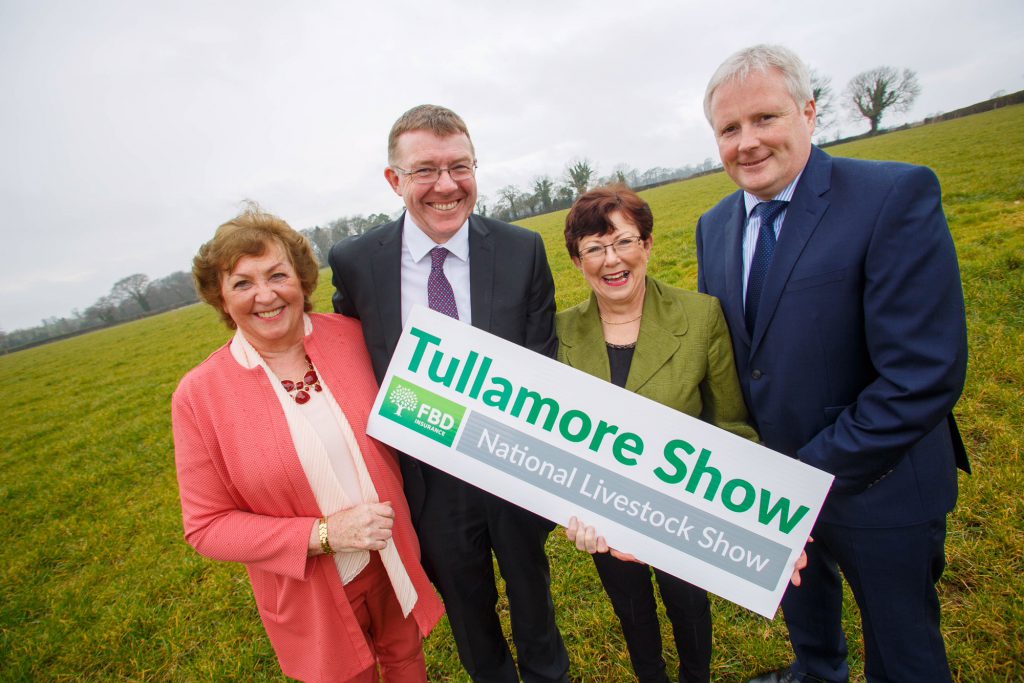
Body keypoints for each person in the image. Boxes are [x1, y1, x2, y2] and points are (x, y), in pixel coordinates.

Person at [695, 45, 969, 683]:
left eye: (765, 118)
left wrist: (805, 475)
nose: (747, 142)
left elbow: (923, 374)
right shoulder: (714, 225)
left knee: (903, 653)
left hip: (880, 482)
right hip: (773, 492)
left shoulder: (892, 195)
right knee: (809, 625)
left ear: (809, 113)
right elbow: (735, 360)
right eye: (729, 128)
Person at [328, 105, 569, 683]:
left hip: (510, 462)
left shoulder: (521, 249)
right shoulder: (356, 263)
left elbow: (542, 360)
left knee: (533, 596)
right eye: (425, 170)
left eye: (460, 167)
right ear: (395, 180)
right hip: (427, 477)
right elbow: (351, 358)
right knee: (467, 610)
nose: (446, 185)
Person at [172, 205, 443, 682]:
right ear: (220, 297)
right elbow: (206, 527)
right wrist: (323, 535)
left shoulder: (356, 338)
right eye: (242, 283)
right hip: (311, 590)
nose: (265, 295)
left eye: (277, 275)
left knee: (407, 661)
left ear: (301, 279)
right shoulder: (199, 396)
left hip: (393, 557)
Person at [557, 185, 759, 683]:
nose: (612, 260)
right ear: (578, 261)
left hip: (682, 510)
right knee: (631, 610)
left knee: (689, 607)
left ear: (647, 244)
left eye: (624, 241)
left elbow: (731, 422)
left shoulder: (701, 315)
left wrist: (735, 506)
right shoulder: (559, 332)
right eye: (595, 248)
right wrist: (568, 505)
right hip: (604, 512)